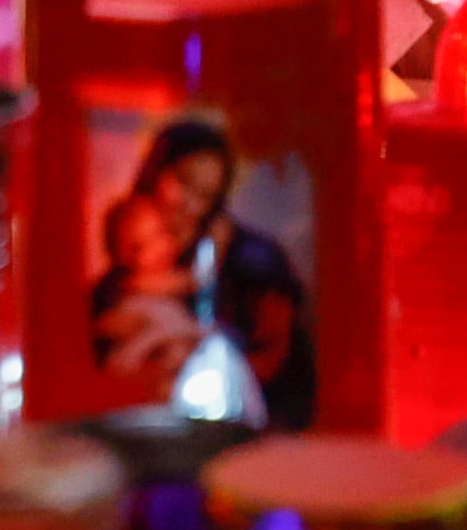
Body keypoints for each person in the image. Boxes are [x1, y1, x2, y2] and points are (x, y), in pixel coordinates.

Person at [89, 118, 318, 427]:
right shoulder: (133, 250)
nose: (190, 205)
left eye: (206, 196)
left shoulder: (250, 259)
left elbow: (276, 356)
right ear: (156, 171)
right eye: (183, 182)